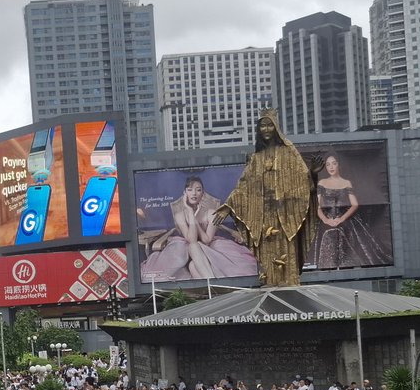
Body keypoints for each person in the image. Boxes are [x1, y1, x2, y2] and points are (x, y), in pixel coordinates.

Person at [213, 108, 316, 286]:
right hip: (264, 216)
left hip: (285, 216)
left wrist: (313, 175)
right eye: (263, 126)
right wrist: (229, 205)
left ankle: (289, 282)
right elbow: (244, 186)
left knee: (285, 253)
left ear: (275, 128)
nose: (266, 129)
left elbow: (303, 178)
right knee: (267, 254)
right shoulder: (256, 159)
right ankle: (269, 282)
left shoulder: (288, 152)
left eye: (269, 125)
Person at [140, 175, 258, 281]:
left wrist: (194, 220)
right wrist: (190, 212)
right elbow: (191, 239)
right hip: (185, 248)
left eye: (198, 190)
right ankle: (213, 283)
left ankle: (212, 284)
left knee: (193, 264)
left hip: (210, 248)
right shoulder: (180, 215)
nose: (194, 193)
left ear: (203, 194)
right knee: (192, 249)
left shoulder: (212, 213)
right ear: (185, 193)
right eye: (190, 190)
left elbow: (206, 240)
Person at [305, 152, 389, 271]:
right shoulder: (322, 183)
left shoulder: (346, 182)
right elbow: (317, 205)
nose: (331, 167)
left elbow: (355, 204)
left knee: (350, 238)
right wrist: (326, 220)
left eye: (334, 163)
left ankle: (347, 266)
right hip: (326, 220)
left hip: (344, 219)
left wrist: (342, 218)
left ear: (338, 164)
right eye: (328, 165)